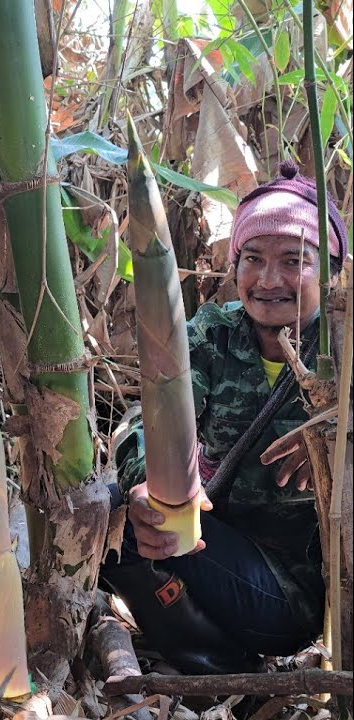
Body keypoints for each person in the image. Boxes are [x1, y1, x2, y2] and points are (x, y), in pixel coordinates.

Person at [101, 161, 348, 674]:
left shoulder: (344, 352)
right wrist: (144, 483)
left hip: (291, 593)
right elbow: (141, 420)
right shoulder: (212, 335)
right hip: (210, 541)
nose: (268, 279)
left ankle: (228, 669)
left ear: (332, 271)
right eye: (252, 259)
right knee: (105, 515)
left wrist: (337, 432)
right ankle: (217, 667)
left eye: (294, 261)